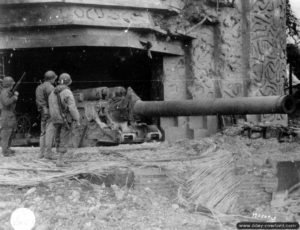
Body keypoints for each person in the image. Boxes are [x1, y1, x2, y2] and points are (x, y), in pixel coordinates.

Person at [46, 73, 80, 167]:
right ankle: (60, 161)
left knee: (57, 137)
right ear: (68, 82)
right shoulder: (67, 92)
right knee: (64, 138)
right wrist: (77, 119)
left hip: (55, 119)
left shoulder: (53, 92)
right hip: (65, 118)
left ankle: (59, 158)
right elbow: (72, 107)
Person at [35, 70, 57, 159]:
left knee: (43, 132)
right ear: (51, 79)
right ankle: (48, 153)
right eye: (54, 78)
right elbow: (54, 101)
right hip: (49, 112)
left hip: (42, 112)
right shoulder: (51, 88)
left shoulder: (39, 87)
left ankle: (41, 153)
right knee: (50, 133)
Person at [0, 76, 18, 156]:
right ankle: (5, 151)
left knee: (10, 133)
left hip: (10, 114)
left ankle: (7, 148)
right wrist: (14, 97)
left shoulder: (8, 92)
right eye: (12, 84)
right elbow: (6, 102)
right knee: (6, 133)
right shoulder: (4, 92)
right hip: (6, 114)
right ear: (9, 84)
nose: (13, 85)